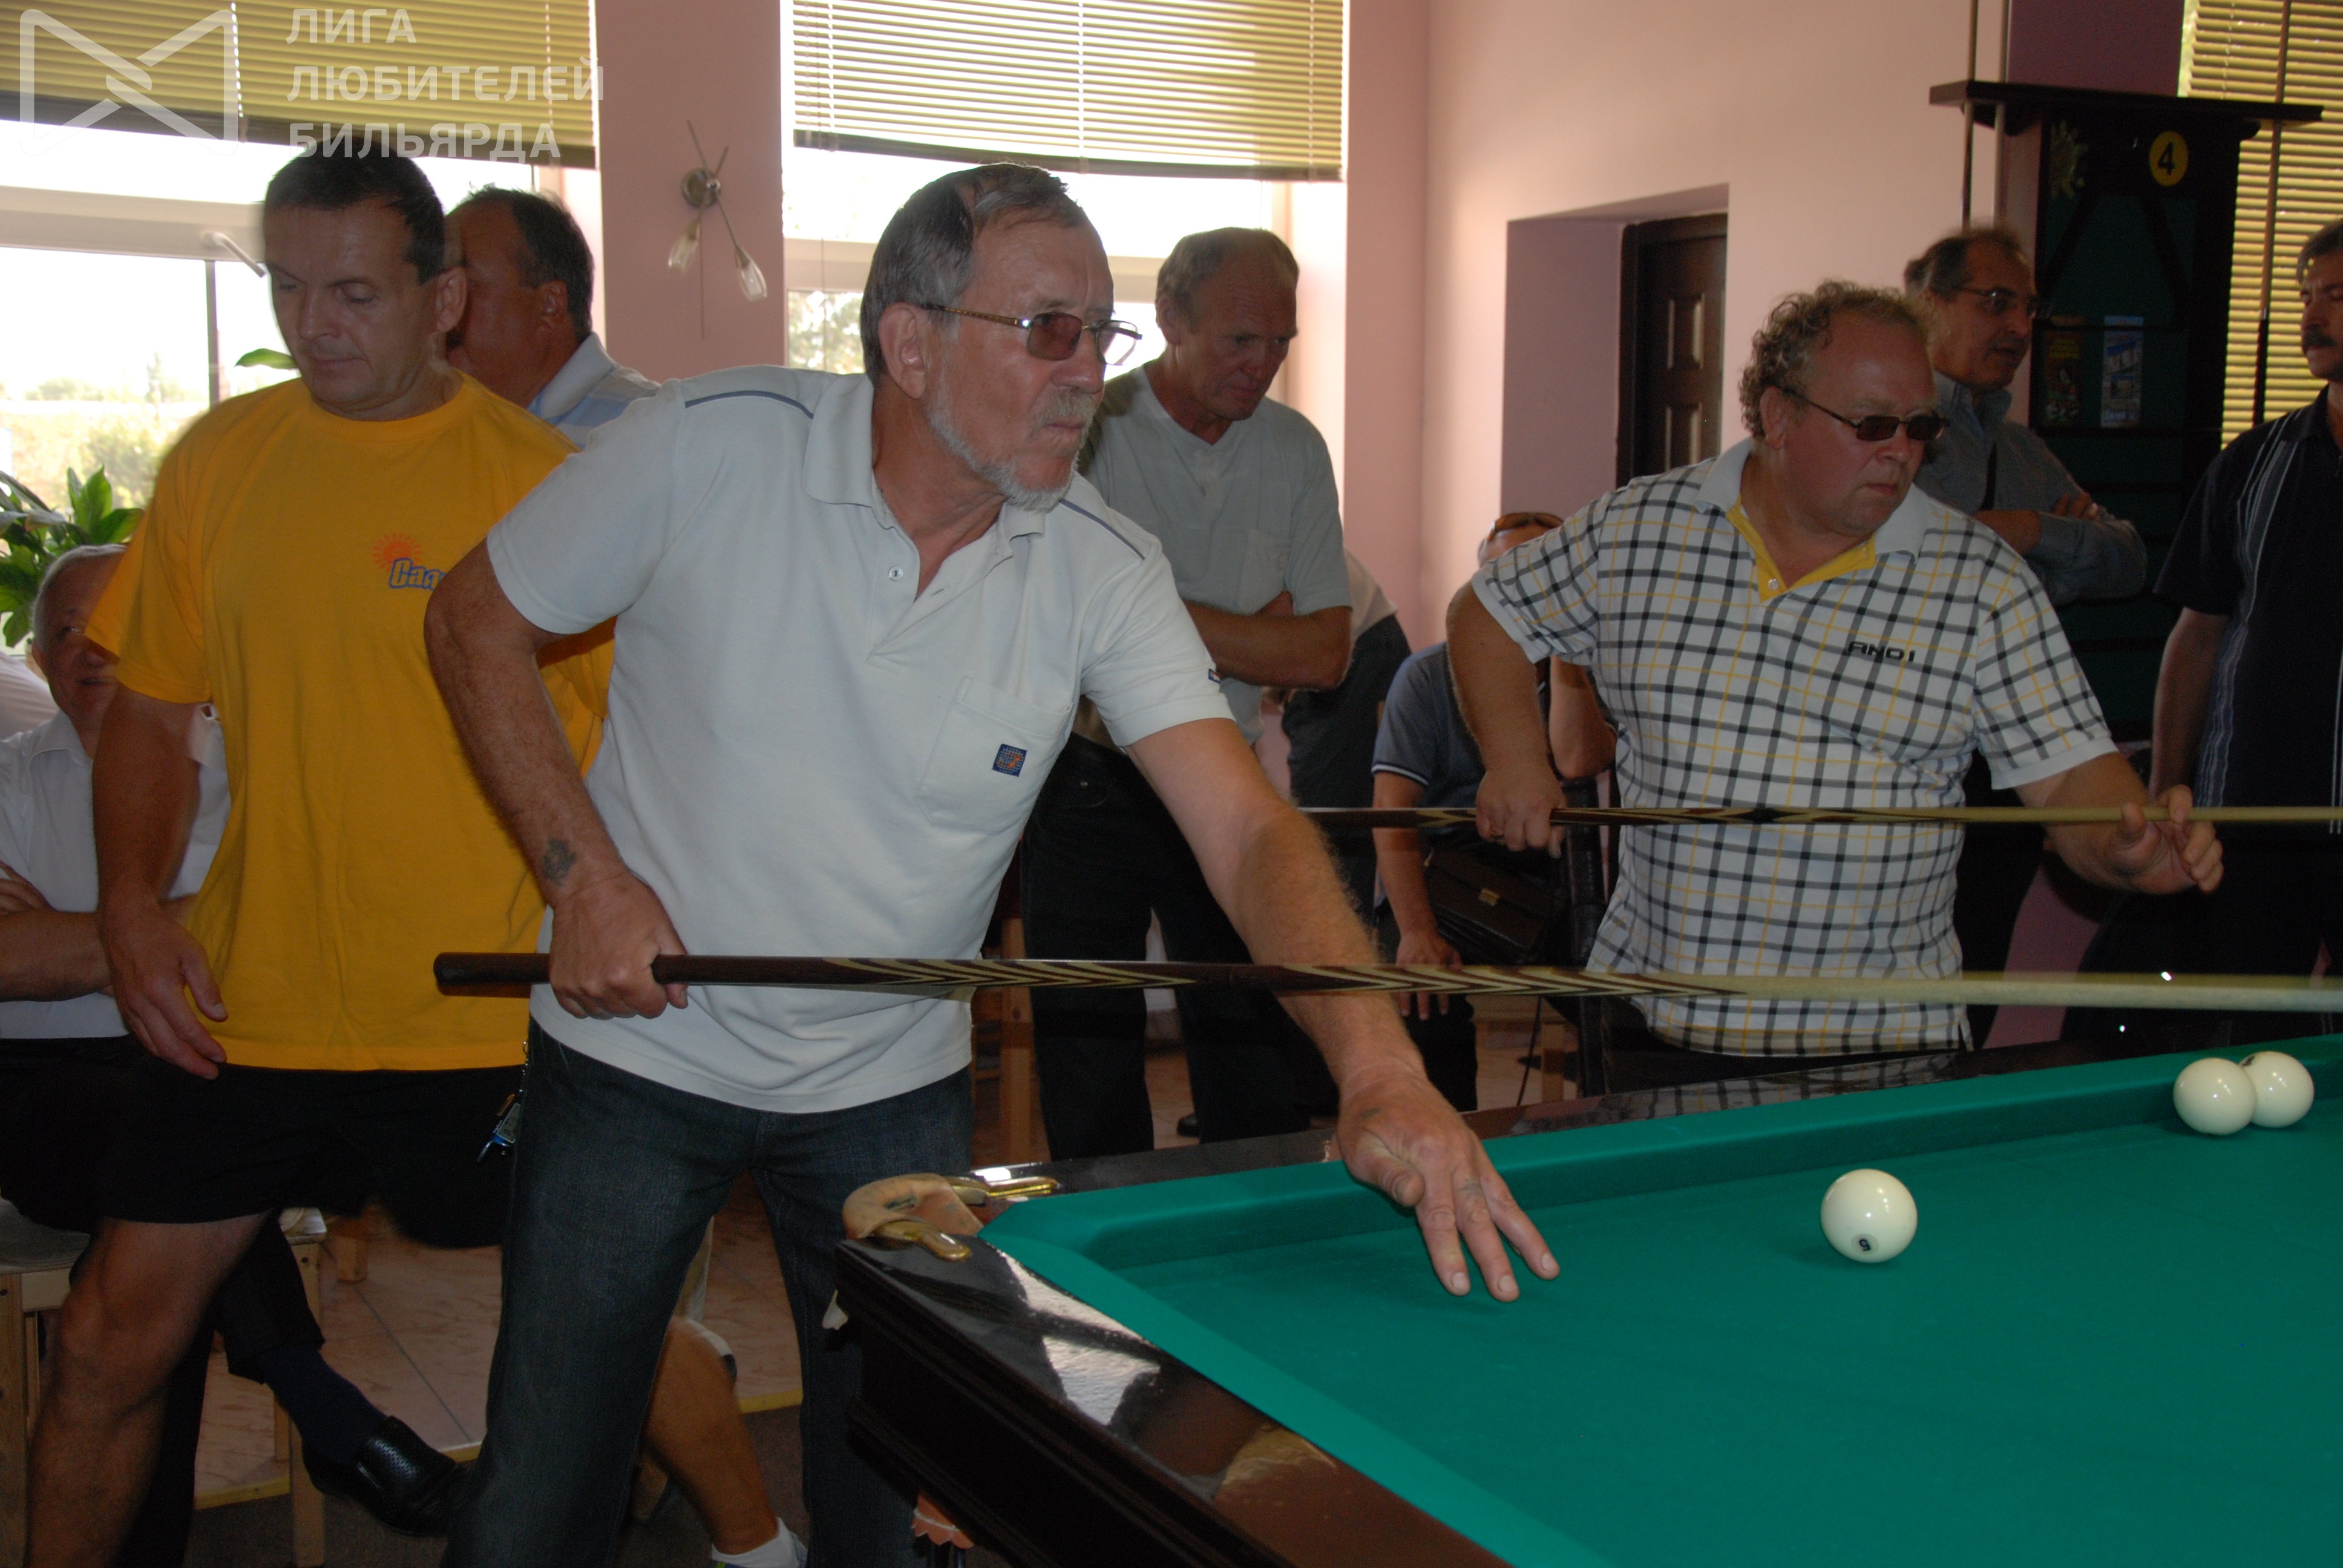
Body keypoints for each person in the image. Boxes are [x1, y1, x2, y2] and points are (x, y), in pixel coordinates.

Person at [424, 162, 1555, 1568]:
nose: (1089, 375)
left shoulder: (1100, 564)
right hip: (633, 1064)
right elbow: (471, 620)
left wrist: (1376, 1066)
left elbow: (1248, 827)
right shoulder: (705, 446)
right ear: (909, 342)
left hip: (885, 1092)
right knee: (540, 1490)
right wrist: (581, 876)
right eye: (1048, 332)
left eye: (1101, 334)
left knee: (898, 1491)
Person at [24, 149, 598, 1566]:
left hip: (482, 1029)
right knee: (105, 1339)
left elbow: (655, 747)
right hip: (252, 1012)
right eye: (288, 289)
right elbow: (148, 711)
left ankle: (748, 1535)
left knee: (598, 1338)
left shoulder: (549, 487)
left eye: (352, 293)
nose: (312, 324)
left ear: (443, 299)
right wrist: (131, 910)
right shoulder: (220, 463)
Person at [1449, 281, 2221, 1073]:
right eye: (1872, 425)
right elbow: (1484, 612)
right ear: (1778, 415)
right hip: (1656, 1024)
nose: (1902, 452)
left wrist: (2124, 847)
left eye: (1920, 427)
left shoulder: (1978, 581)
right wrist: (1515, 759)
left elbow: (2068, 783)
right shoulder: (1639, 528)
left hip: (1877, 1049)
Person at [446, 181, 795, 1566]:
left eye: (464, 281)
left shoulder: (646, 445)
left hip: (631, 970)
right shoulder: (455, 448)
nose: (441, 308)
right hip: (494, 947)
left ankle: (752, 1539)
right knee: (580, 1314)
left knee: (607, 1314)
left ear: (547, 302)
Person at [0, 546, 465, 1557]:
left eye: (117, 625)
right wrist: (170, 930)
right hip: (38, 1093)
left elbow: (300, 940)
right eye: (67, 630)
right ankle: (318, 1400)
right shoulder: (5, 780)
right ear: (36, 656)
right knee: (169, 1153)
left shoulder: (257, 783)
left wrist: (65, 940)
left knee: (143, 1264)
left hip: (216, 1075)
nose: (92, 648)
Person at [1024, 226, 1352, 1159]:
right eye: (1240, 340)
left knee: (1252, 1056)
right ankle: (1099, 1241)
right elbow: (1048, 621)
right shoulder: (1089, 428)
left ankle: (1257, 1243)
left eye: (1281, 342)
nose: (1263, 364)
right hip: (1085, 780)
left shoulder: (1295, 449)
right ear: (1170, 318)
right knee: (1087, 1059)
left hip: (1224, 772)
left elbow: (1325, 653)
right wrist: (1252, 632)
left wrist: (1132, 615)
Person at [2088, 218, 2343, 1047]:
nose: (2312, 316)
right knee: (2240, 1040)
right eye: (2306, 296)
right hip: (2249, 826)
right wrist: (2168, 785)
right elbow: (2196, 636)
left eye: (2336, 296)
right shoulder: (2252, 462)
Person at [1905, 224, 2151, 1042]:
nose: (2017, 327)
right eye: (1994, 302)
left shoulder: (2019, 450)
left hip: (2006, 762)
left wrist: (2033, 530)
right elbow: (1900, 562)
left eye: (2028, 308)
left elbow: (2126, 560)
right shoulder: (1889, 433)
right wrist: (2024, 551)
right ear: (1929, 304)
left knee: (1974, 977)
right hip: (1904, 753)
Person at [1370, 512, 1614, 1108]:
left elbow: (1580, 759)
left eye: (1539, 573)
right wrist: (1417, 931)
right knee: (1422, 1002)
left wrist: (1571, 647)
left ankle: (1612, 1135)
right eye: (1504, 574)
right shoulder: (1426, 675)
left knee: (1620, 1017)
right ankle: (1451, 1142)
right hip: (1445, 878)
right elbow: (1391, 813)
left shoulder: (1590, 678)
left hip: (1548, 882)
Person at [446, 186, 660, 439]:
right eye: (435, 289)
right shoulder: (447, 426)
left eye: (463, 286)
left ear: (549, 305)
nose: (441, 309)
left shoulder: (649, 427)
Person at [1281, 548, 1412, 914]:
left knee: (1330, 838)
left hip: (1354, 654)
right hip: (1340, 654)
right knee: (1326, 835)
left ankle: (1337, 946)